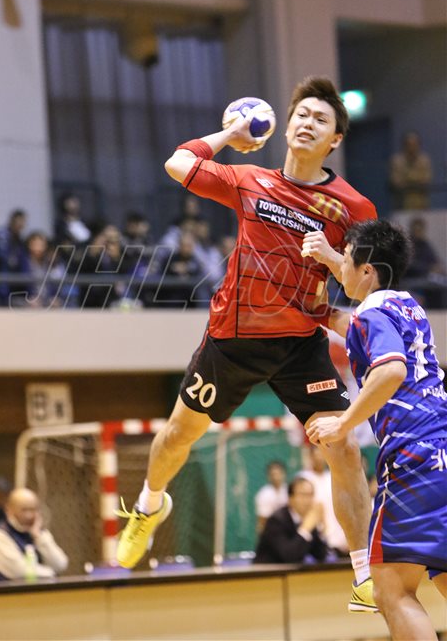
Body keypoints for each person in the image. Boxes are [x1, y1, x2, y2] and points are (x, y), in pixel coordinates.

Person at [116, 76, 378, 611]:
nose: (307, 123)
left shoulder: (353, 208)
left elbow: (365, 286)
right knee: (177, 437)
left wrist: (332, 261)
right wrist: (230, 134)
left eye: (320, 119)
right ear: (285, 124)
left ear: (335, 140)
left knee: (345, 448)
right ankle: (148, 506)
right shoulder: (249, 179)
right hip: (233, 339)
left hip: (301, 343)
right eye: (301, 114)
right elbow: (178, 164)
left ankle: (363, 574)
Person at [307, 219, 447, 638]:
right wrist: (322, 294)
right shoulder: (408, 306)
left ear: (367, 269)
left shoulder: (372, 312)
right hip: (442, 451)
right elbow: (355, 326)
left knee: (389, 589)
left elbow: (390, 370)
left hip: (414, 458)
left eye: (346, 260)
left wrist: (342, 423)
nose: (341, 267)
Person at [0, 487, 68, 581]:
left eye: (33, 509)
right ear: (9, 510)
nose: (29, 515)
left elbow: (60, 564)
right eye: (24, 510)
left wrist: (38, 537)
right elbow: (20, 571)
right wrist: (51, 573)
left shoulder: (39, 533)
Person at [254, 476, 328, 565]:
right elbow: (289, 557)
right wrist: (305, 528)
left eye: (311, 495)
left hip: (293, 572)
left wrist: (321, 527)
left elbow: (320, 555)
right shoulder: (276, 521)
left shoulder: (308, 521)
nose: (308, 500)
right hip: (266, 571)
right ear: (290, 499)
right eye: (303, 495)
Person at [301, 444, 348, 556]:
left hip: (337, 532)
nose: (319, 458)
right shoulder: (304, 478)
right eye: (316, 455)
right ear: (310, 457)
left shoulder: (333, 476)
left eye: (321, 455)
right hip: (315, 534)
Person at [389, 131, 432, 210]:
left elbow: (426, 181)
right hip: (402, 203)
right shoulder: (397, 161)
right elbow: (397, 183)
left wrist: (407, 179)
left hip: (421, 203)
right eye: (409, 144)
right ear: (404, 145)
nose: (412, 148)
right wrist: (416, 180)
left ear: (419, 145)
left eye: (414, 144)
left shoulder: (424, 160)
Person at [254, 461, 289, 533]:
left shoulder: (290, 491)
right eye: (273, 474)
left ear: (284, 474)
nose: (276, 477)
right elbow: (262, 520)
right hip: (271, 530)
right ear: (269, 476)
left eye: (278, 474)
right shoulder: (263, 494)